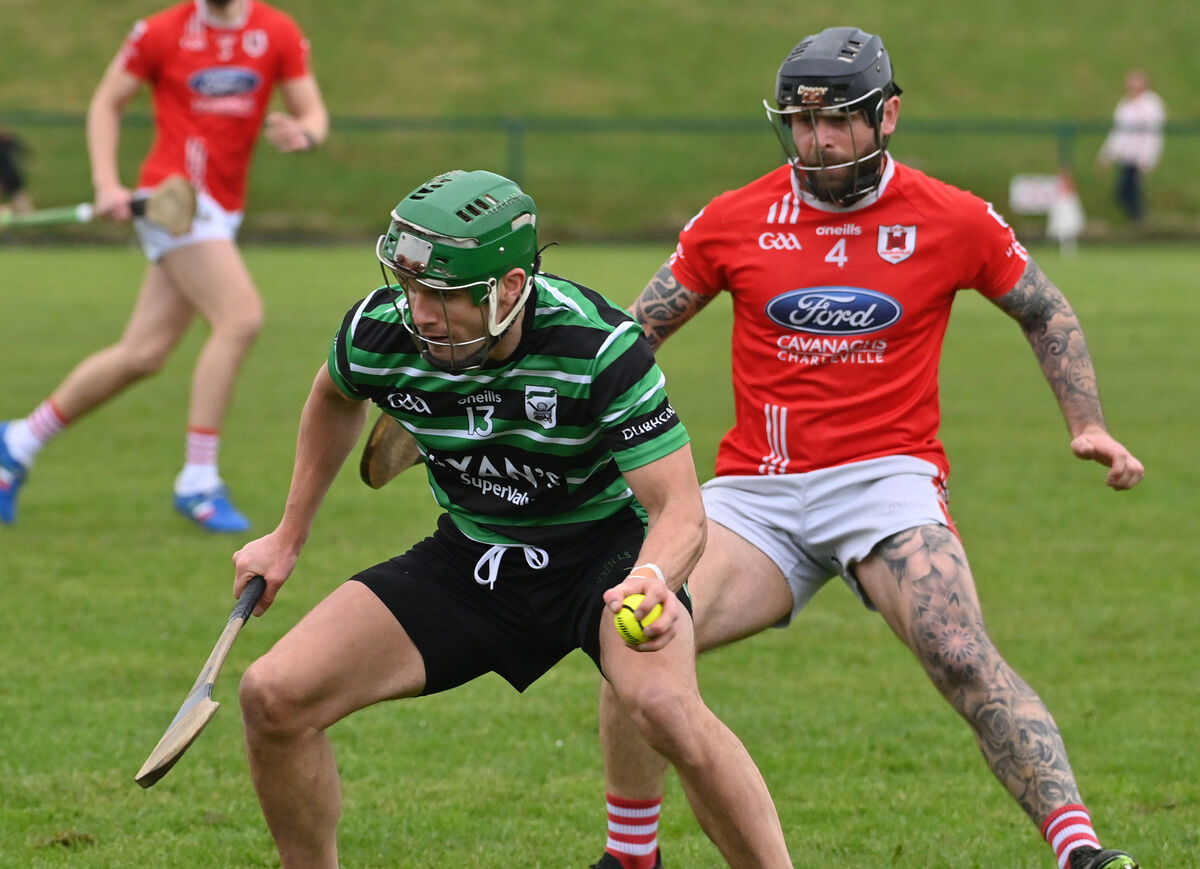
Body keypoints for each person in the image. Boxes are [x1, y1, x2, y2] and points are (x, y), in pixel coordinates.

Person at [588, 27, 1144, 869]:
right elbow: (632, 339)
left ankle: (1083, 851)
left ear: (887, 116)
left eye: (839, 122)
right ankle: (631, 858)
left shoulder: (951, 216)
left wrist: (1088, 421)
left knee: (960, 652)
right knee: (637, 626)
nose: (818, 143)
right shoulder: (735, 219)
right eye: (802, 124)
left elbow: (1044, 308)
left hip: (888, 482)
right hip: (756, 493)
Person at [230, 169, 793, 869]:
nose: (420, 314)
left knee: (667, 710)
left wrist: (654, 575)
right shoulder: (384, 329)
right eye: (409, 289)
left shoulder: (600, 348)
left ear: (510, 289)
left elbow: (679, 506)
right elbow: (335, 395)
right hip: (474, 552)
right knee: (273, 696)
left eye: (441, 296)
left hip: (605, 556)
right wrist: (287, 536)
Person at [0, 0, 328, 531]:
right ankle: (198, 481)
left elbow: (313, 111)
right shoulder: (160, 31)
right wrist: (107, 183)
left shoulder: (277, 32)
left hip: (223, 208)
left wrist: (305, 133)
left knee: (143, 353)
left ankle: (17, 442)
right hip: (173, 201)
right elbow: (107, 103)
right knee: (240, 317)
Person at [1096, 68, 1165, 225]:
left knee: (1130, 191)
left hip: (1139, 158)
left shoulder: (1151, 106)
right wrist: (1107, 156)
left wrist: (1148, 160)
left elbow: (1153, 137)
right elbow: (1118, 135)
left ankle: (1140, 221)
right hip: (1127, 158)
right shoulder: (1125, 105)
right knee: (1124, 192)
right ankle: (1139, 221)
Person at [0, 127, 35, 215]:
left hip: (8, 175)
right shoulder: (4, 140)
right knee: (20, 198)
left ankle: (22, 215)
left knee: (20, 198)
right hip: (11, 174)